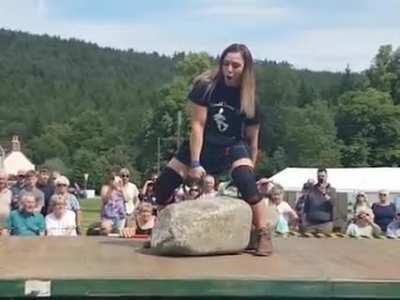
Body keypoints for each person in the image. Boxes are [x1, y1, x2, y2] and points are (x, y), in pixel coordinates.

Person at [154, 44, 272, 256]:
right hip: (204, 143)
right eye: (226, 63)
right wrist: (196, 162)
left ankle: (262, 233)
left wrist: (250, 168)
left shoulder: (249, 99)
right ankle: (162, 231)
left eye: (235, 66)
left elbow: (253, 140)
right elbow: (198, 126)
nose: (229, 69)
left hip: (232, 145)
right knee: (163, 184)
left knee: (247, 183)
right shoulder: (207, 88)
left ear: (245, 69)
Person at [302, 168, 337, 234]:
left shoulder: (332, 190)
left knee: (324, 244)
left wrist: (324, 193)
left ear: (327, 176)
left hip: (325, 224)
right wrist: (304, 221)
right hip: (310, 224)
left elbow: (333, 203)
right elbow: (306, 206)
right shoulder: (311, 189)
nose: (321, 178)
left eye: (323, 176)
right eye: (319, 176)